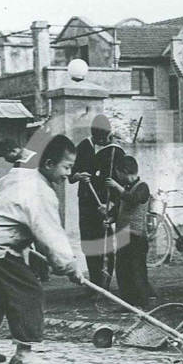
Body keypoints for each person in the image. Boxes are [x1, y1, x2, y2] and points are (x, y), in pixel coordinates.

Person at [0, 133, 85, 364]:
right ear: (49, 164)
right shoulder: (40, 192)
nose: (69, 174)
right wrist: (70, 267)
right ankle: (24, 353)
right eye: (67, 167)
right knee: (29, 291)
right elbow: (51, 236)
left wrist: (11, 222)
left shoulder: (20, 174)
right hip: (0, 248)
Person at [69, 115, 118, 287]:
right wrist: (78, 175)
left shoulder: (114, 149)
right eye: (99, 139)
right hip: (87, 202)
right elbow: (71, 171)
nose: (102, 142)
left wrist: (113, 203)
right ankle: (95, 283)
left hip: (105, 203)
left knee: (106, 242)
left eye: (105, 139)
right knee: (89, 242)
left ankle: (106, 281)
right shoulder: (83, 146)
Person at [106, 154, 152, 308]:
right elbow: (119, 208)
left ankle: (142, 303)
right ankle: (127, 303)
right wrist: (110, 218)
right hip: (123, 235)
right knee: (122, 270)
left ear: (125, 171)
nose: (117, 177)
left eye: (118, 173)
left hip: (137, 236)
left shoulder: (143, 187)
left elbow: (134, 199)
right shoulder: (125, 188)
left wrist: (116, 187)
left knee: (136, 270)